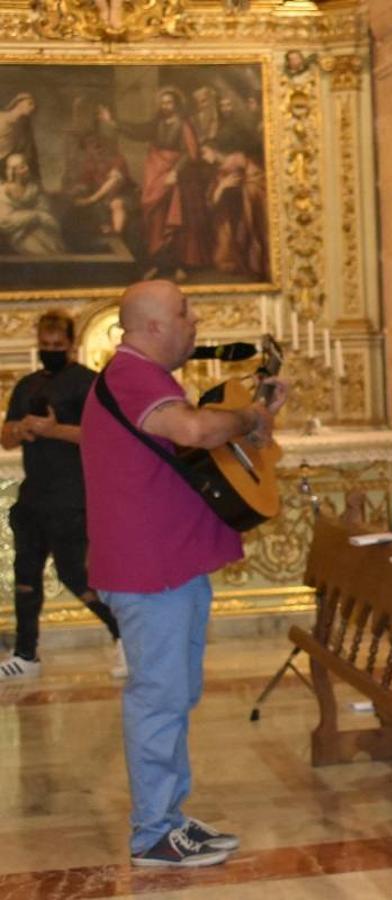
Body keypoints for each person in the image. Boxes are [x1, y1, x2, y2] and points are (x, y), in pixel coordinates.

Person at [81, 279, 287, 867]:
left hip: (167, 563)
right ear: (150, 328)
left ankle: (167, 816)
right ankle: (152, 833)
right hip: (151, 570)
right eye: (183, 312)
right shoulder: (131, 373)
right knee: (158, 698)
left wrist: (256, 419)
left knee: (173, 694)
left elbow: (200, 445)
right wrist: (247, 416)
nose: (195, 322)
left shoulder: (151, 380)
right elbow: (195, 431)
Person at [0, 311, 122, 681]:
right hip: (35, 494)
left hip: (72, 495)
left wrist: (54, 430)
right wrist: (21, 430)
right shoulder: (26, 386)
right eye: (44, 345)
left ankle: (124, 634)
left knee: (75, 574)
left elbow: (103, 436)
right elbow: (5, 438)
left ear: (70, 344)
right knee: (26, 576)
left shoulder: (88, 383)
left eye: (57, 345)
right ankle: (25, 653)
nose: (49, 351)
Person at [99, 88, 210, 280]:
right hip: (156, 174)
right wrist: (113, 122)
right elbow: (138, 131)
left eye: (169, 102)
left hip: (178, 178)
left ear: (176, 105)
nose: (165, 106)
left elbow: (190, 153)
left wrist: (175, 172)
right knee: (154, 217)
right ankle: (159, 264)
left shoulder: (184, 125)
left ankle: (179, 265)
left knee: (175, 219)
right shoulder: (157, 123)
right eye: (163, 102)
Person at [200, 140, 268, 280]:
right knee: (222, 260)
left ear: (214, 150)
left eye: (204, 152)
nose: (203, 157)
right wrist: (221, 187)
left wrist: (244, 190)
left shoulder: (238, 161)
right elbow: (211, 201)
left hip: (246, 211)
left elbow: (254, 180)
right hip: (228, 218)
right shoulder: (218, 171)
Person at [0, 152, 65, 255]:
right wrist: (35, 216)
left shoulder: (33, 188)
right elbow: (4, 221)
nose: (27, 169)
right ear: (13, 171)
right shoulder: (3, 191)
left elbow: (45, 210)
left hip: (37, 229)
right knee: (38, 248)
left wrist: (39, 217)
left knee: (53, 245)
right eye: (22, 167)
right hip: (18, 234)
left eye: (26, 165)